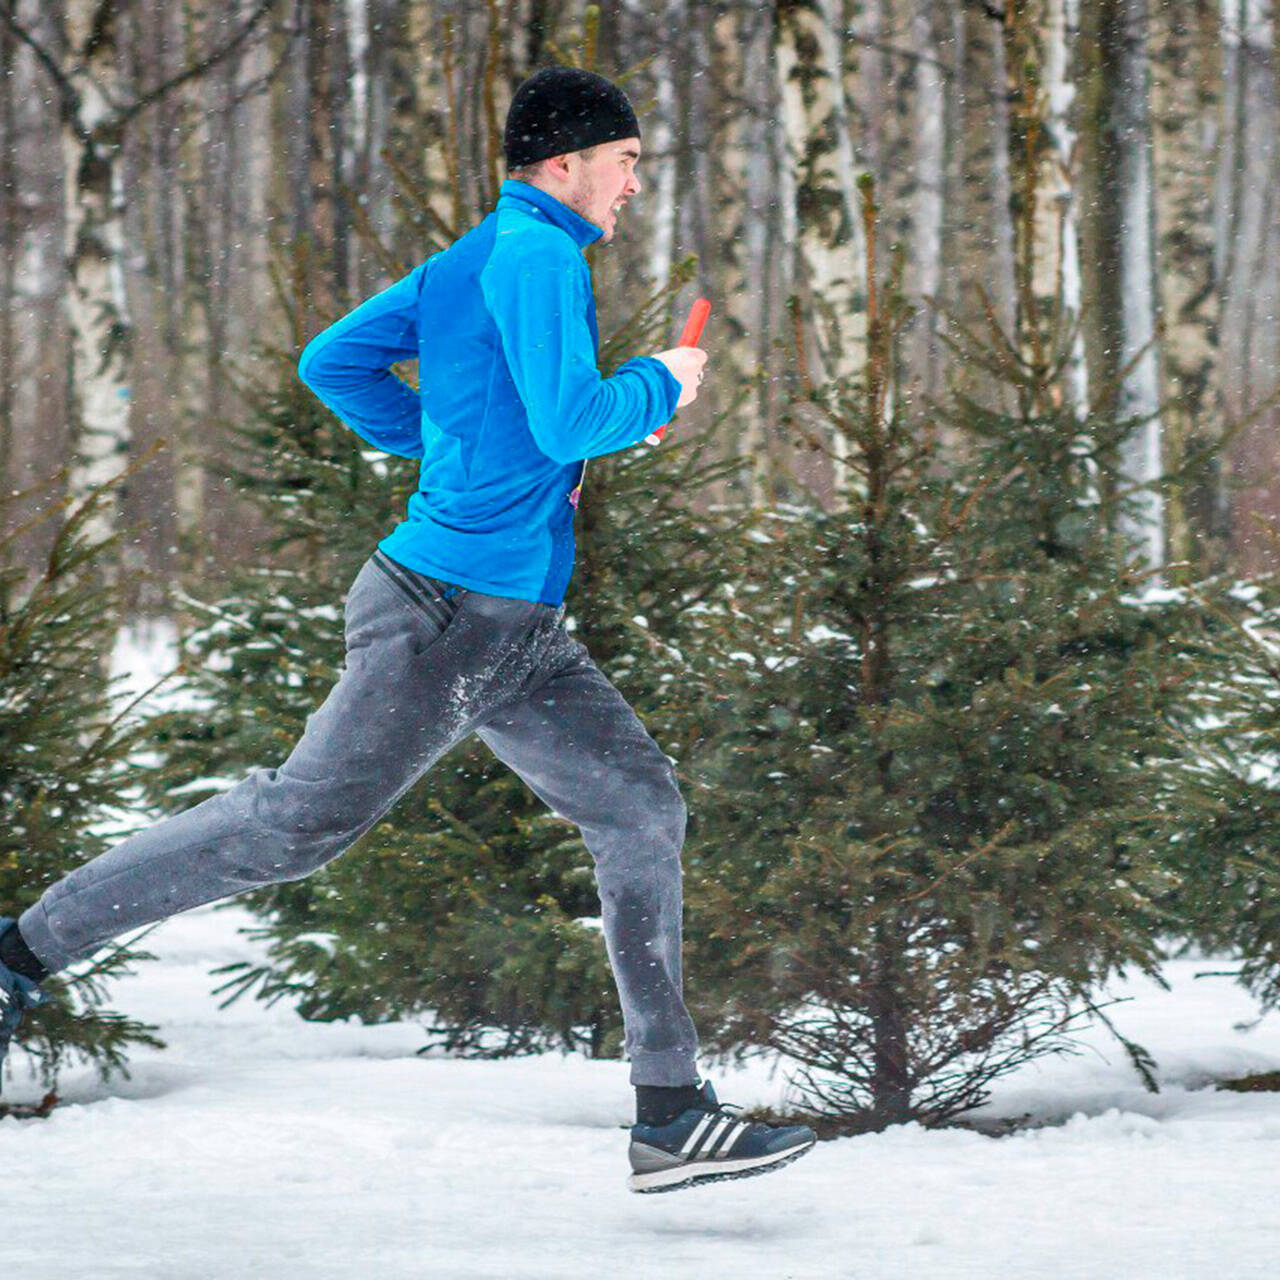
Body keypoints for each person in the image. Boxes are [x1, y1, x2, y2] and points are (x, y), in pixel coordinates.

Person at [0, 65, 814, 1192]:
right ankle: (20, 949)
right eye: (623, 164)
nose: (633, 187)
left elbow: (333, 361)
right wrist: (661, 383)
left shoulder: (477, 256)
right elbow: (575, 414)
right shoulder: (536, 255)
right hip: (444, 613)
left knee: (639, 807)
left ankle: (669, 1111)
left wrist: (460, 451)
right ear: (564, 163)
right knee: (291, 826)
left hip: (515, 625)